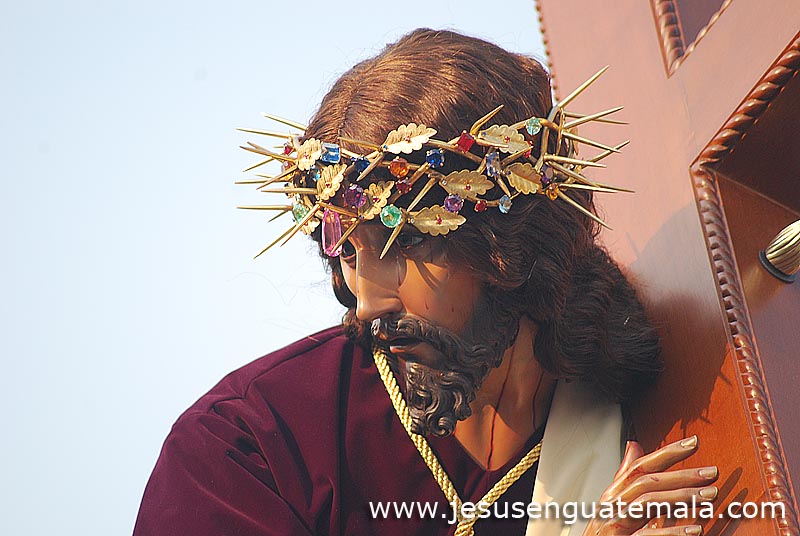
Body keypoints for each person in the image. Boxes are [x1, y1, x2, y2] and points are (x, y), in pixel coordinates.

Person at [134, 29, 719, 536]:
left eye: (402, 243)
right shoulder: (248, 448)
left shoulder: (676, 397)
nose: (368, 302)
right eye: (346, 252)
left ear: (510, 244)